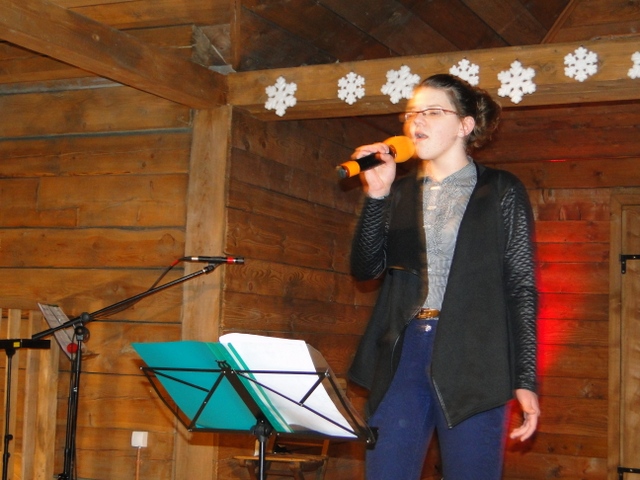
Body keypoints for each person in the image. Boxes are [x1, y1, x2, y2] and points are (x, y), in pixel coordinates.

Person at [347, 73, 540, 480]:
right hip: (403, 354)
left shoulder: (501, 190)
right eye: (411, 113)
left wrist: (525, 378)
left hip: (475, 359)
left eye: (433, 112)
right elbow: (365, 269)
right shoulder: (398, 191)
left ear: (465, 125)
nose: (417, 121)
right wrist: (376, 196)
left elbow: (521, 288)